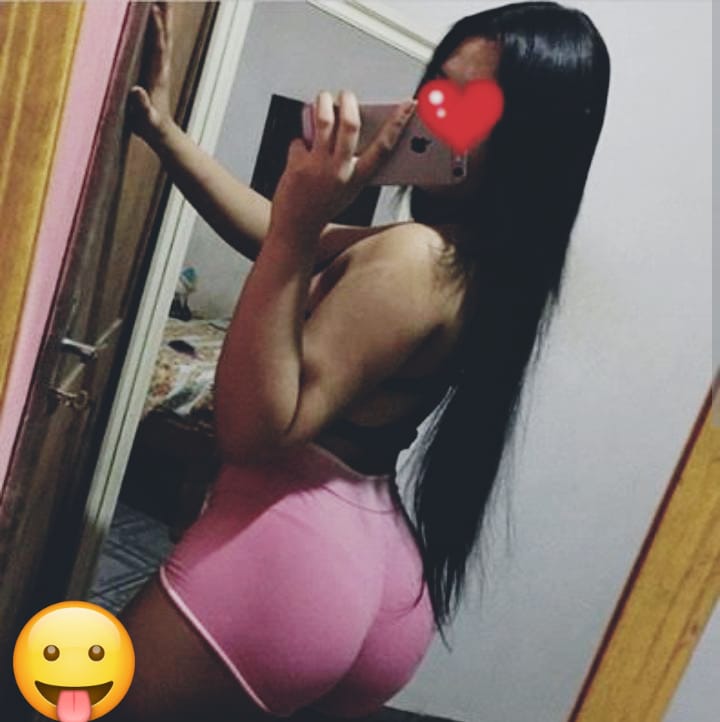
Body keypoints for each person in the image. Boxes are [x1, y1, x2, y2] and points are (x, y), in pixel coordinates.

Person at [111, 2, 610, 720]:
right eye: (437, 84)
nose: (435, 114)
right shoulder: (477, 263)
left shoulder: (414, 256)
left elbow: (252, 431)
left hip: (287, 555)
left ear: (530, 142)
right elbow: (270, 234)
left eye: (474, 103)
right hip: (379, 562)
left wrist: (301, 214)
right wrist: (164, 132)